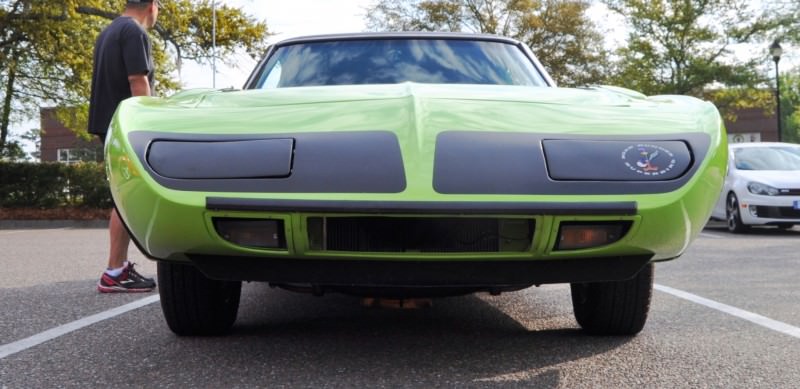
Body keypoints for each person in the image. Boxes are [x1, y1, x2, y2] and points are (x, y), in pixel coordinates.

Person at [88, 0, 160, 293]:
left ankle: (116, 268)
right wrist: (149, 126)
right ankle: (114, 271)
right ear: (152, 5)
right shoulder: (133, 32)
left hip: (108, 124)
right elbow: (137, 81)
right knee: (125, 198)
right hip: (127, 127)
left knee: (122, 195)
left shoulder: (109, 31)